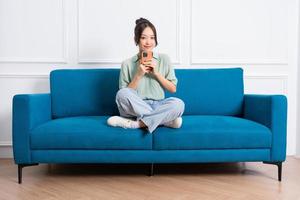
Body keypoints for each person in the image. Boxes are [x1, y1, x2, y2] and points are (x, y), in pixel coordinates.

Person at [107, 18, 185, 133]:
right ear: (137, 39)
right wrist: (138, 75)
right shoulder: (127, 64)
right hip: (136, 107)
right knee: (121, 93)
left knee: (179, 104)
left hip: (159, 105)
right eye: (144, 38)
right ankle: (164, 121)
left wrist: (156, 73)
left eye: (152, 38)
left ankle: (137, 124)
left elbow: (173, 89)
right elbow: (125, 96)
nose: (148, 42)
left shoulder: (164, 59)